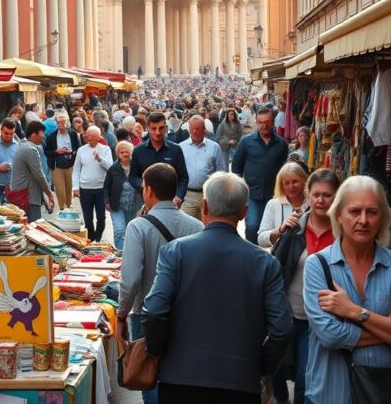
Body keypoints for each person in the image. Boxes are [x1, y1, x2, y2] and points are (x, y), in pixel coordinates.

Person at [143, 171, 293, 403]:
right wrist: (260, 366)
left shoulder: (176, 252)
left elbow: (154, 311)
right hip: (241, 381)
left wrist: (158, 353)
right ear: (244, 213)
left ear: (204, 207)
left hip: (181, 378)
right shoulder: (264, 263)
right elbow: (282, 329)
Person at [303, 176, 391, 404]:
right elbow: (330, 335)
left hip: (384, 391)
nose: (364, 220)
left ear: (383, 218)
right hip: (331, 393)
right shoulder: (318, 265)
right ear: (338, 214)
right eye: (355, 211)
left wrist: (354, 312)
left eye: (372, 212)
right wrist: (388, 323)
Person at [117, 163, 204, 404]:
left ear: (149, 190)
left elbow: (131, 278)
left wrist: (122, 313)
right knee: (180, 374)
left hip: (148, 313)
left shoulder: (138, 226)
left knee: (151, 373)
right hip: (186, 313)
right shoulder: (196, 226)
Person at [268, 169, 341, 404]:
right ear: (308, 196)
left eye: (327, 195)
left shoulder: (344, 234)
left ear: (337, 197)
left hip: (321, 321)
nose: (320, 200)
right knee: (276, 369)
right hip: (290, 315)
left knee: (305, 380)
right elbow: (275, 269)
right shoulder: (294, 229)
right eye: (316, 194)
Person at [232, 107, 289, 244]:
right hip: (251, 194)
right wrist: (239, 191)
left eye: (267, 122)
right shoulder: (246, 142)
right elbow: (236, 167)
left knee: (275, 229)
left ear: (273, 122)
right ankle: (252, 254)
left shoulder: (281, 144)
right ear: (256, 123)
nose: (264, 125)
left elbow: (285, 169)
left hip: (274, 194)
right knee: (252, 226)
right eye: (261, 122)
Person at [129, 112, 189, 209]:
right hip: (145, 202)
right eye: (153, 128)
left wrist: (179, 197)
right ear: (147, 129)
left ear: (166, 128)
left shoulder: (176, 149)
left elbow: (183, 177)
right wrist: (142, 183)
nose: (157, 132)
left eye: (161, 128)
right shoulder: (138, 151)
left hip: (169, 204)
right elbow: (132, 177)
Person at [177, 115, 226, 220]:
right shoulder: (181, 147)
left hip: (207, 196)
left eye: (197, 129)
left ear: (204, 130)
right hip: (187, 196)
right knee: (187, 229)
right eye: (192, 129)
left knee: (207, 227)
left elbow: (220, 173)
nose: (194, 132)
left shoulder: (214, 147)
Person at [72, 126, 112, 242]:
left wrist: (99, 158)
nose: (89, 139)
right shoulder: (81, 150)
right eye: (87, 136)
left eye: (92, 137)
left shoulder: (105, 149)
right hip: (85, 189)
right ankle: (91, 239)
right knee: (88, 218)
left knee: (101, 217)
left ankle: (98, 239)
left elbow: (110, 167)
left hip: (101, 189)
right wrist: (75, 187)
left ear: (99, 137)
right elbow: (76, 170)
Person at [257, 162, 310, 249]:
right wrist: (280, 230)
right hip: (280, 259)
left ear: (304, 181)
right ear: (281, 185)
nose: (291, 186)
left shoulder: (312, 203)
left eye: (295, 181)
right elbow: (261, 240)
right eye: (287, 183)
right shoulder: (273, 204)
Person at [10, 120, 54, 221]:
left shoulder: (23, 146)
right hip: (28, 198)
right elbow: (38, 175)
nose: (43, 138)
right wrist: (49, 193)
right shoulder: (30, 149)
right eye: (42, 135)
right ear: (34, 134)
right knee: (33, 230)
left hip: (24, 195)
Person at [105, 141, 137, 250]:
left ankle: (130, 253)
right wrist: (106, 201)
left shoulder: (137, 167)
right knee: (119, 230)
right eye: (121, 152)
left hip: (133, 206)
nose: (124, 154)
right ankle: (121, 254)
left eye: (127, 152)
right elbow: (106, 186)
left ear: (131, 153)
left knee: (130, 231)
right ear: (118, 154)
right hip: (116, 205)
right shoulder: (113, 168)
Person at [45, 114, 80, 210]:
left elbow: (78, 147)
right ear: (56, 123)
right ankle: (62, 207)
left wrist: (73, 152)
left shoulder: (72, 134)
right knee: (60, 189)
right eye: (59, 122)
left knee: (69, 187)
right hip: (57, 165)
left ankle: (68, 205)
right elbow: (47, 152)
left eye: (63, 122)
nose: (62, 124)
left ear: (67, 122)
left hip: (70, 163)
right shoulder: (51, 137)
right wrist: (57, 151)